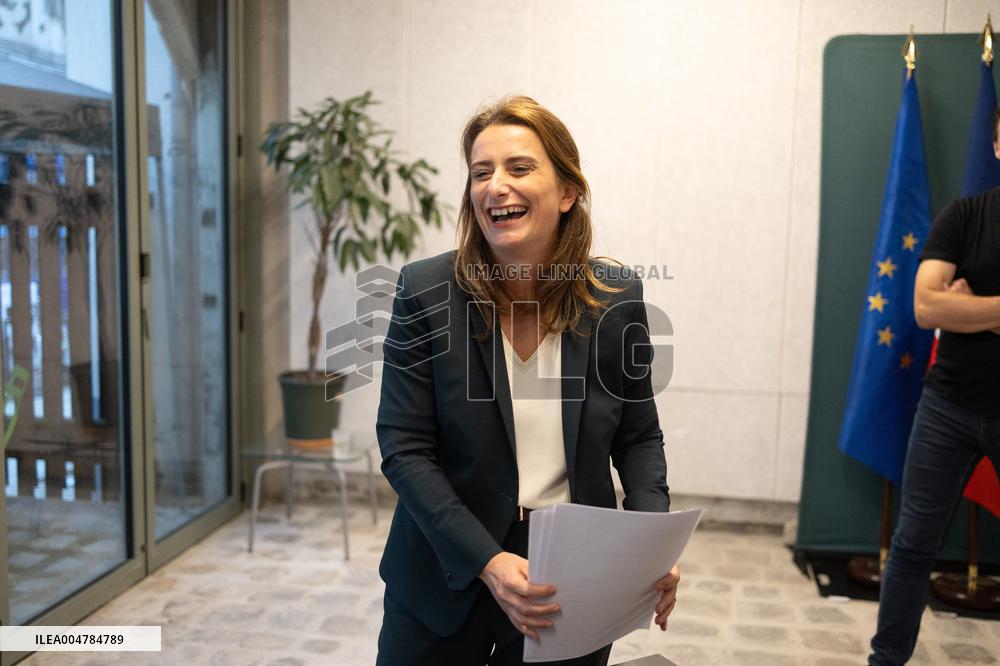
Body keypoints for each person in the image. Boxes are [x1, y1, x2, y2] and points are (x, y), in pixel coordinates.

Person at [375, 95, 677, 666]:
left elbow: (638, 438)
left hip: (571, 570)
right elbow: (405, 448)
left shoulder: (616, 296)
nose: (496, 186)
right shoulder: (424, 291)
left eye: (519, 168)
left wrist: (648, 545)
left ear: (567, 193)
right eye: (481, 172)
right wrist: (486, 560)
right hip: (445, 565)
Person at [868, 109, 1000, 665]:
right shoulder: (964, 216)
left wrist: (970, 306)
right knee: (913, 545)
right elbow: (925, 306)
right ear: (995, 142)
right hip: (948, 405)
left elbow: (947, 303)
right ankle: (886, 660)